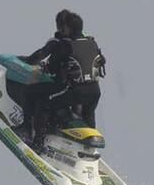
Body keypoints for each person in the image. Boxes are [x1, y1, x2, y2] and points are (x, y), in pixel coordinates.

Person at [18, 10, 106, 150]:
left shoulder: (66, 45)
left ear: (68, 28)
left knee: (43, 103)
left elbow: (51, 66)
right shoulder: (92, 43)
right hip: (95, 91)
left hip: (76, 90)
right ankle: (88, 150)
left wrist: (40, 64)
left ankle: (36, 141)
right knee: (87, 116)